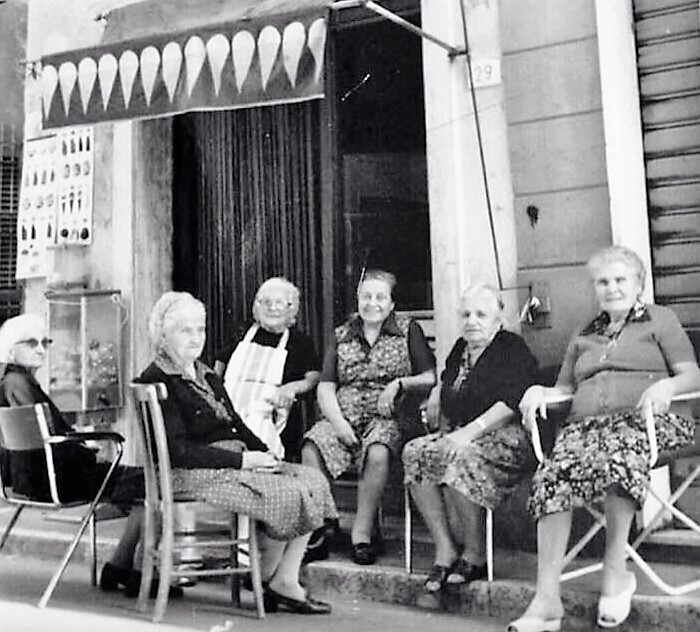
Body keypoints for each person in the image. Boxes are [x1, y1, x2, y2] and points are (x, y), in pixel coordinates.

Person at [510, 246, 700, 632]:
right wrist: (537, 392)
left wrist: (666, 386)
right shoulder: (585, 332)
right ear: (595, 288)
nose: (612, 288)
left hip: (652, 425)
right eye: (603, 282)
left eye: (620, 280)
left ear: (639, 283)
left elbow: (692, 375)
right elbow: (564, 388)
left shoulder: (660, 320)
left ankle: (616, 571)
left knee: (616, 456)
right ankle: (546, 600)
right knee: (552, 474)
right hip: (587, 430)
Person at [137, 291, 337, 614]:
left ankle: (283, 579)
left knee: (312, 481)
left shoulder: (204, 374)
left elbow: (236, 425)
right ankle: (270, 578)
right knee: (286, 493)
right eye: (185, 330)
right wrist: (242, 461)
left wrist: (266, 455)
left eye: (200, 329)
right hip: (189, 474)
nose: (196, 338)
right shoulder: (158, 379)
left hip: (228, 465)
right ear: (163, 334)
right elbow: (177, 452)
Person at [0, 313, 154, 599]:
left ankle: (120, 567)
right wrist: (84, 447)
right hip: (55, 479)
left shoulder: (14, 381)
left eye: (45, 342)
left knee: (141, 488)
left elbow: (45, 437)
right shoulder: (18, 384)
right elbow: (48, 440)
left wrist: (79, 444)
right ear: (10, 347)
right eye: (31, 343)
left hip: (32, 479)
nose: (41, 349)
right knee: (152, 484)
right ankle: (137, 572)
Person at [402, 283, 539, 594]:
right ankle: (445, 548)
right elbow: (448, 384)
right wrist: (438, 398)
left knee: (460, 456)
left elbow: (510, 403)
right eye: (466, 315)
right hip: (462, 432)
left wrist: (466, 433)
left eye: (481, 314)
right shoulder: (460, 349)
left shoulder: (511, 348)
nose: (472, 321)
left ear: (498, 319)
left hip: (507, 436)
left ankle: (475, 553)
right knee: (415, 452)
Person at [302, 269, 436, 565]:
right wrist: (338, 423)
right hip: (344, 416)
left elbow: (430, 376)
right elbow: (326, 386)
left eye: (380, 297)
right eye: (366, 296)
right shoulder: (342, 334)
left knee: (377, 451)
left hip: (386, 418)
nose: (372, 303)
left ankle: (362, 532)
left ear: (391, 303)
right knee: (313, 446)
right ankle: (324, 522)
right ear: (357, 299)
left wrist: (400, 384)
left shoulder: (408, 329)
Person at [215, 277, 320, 463]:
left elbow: (313, 377)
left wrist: (291, 388)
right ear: (257, 306)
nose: (272, 308)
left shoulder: (300, 342)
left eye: (280, 303)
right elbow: (219, 367)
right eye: (266, 302)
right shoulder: (242, 332)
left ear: (291, 309)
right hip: (230, 408)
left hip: (271, 415)